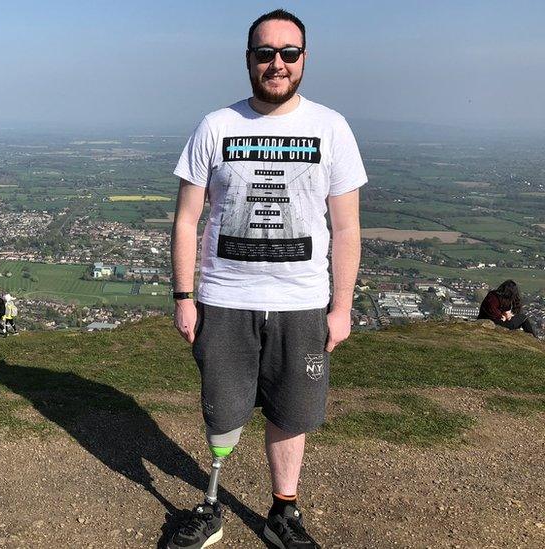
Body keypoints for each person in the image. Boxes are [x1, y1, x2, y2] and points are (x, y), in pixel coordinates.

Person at [167, 9, 366, 549]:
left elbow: (346, 228)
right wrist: (184, 297)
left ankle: (283, 512)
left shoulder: (331, 128)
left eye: (289, 53)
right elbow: (187, 218)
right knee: (222, 408)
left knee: (291, 410)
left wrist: (341, 307)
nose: (276, 63)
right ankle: (211, 505)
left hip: (302, 298)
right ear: (248, 59)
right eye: (264, 53)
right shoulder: (216, 126)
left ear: (304, 59)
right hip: (225, 297)